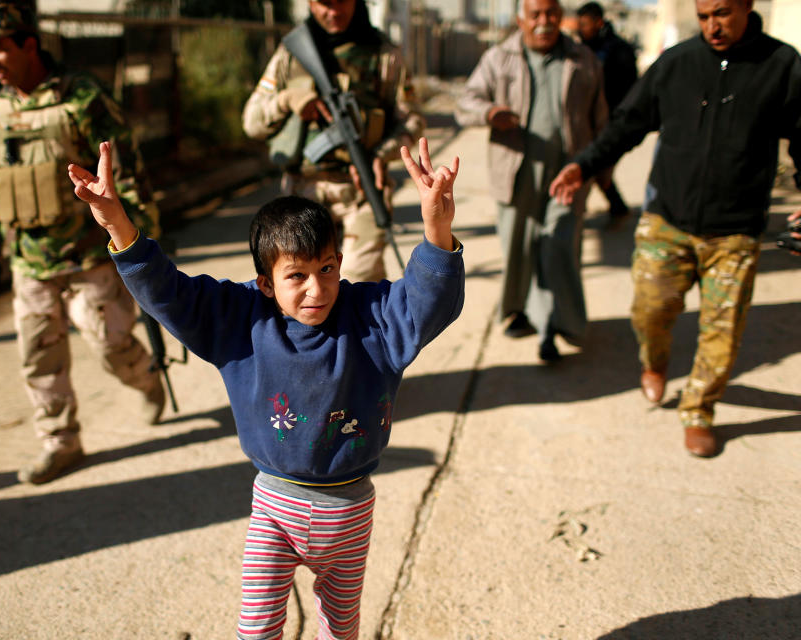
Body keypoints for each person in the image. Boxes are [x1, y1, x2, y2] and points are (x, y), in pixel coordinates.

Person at [68, 136, 463, 639]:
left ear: (340, 263)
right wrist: (116, 224)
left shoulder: (374, 319)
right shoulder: (239, 320)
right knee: (256, 630)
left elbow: (429, 302)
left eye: (326, 269)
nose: (316, 289)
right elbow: (169, 292)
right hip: (275, 509)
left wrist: (437, 228)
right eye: (295, 276)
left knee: (341, 630)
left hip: (350, 512)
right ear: (265, 283)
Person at [550, 0, 801, 456]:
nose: (712, 25)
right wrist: (584, 166)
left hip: (736, 230)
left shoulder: (782, 64)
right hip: (667, 220)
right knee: (650, 312)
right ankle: (655, 361)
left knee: (723, 332)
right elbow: (627, 123)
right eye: (703, 15)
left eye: (722, 13)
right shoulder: (678, 62)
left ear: (746, 6)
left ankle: (699, 410)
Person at [0, 1, 167, 484]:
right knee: (39, 356)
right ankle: (61, 442)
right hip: (31, 259)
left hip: (87, 253)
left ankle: (145, 376)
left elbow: (123, 163)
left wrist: (143, 233)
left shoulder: (80, 96)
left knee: (109, 345)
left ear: (28, 44)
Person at [455, 0, 607, 362]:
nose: (544, 22)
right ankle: (516, 312)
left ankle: (556, 324)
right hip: (516, 171)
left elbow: (601, 116)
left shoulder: (583, 58)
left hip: (568, 174)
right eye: (535, 15)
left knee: (557, 246)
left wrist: (601, 169)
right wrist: (490, 113)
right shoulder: (499, 57)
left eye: (551, 14)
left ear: (561, 16)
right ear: (521, 19)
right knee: (518, 250)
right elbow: (466, 103)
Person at [242, 0, 424, 282]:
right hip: (302, 191)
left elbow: (412, 120)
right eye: (324, 3)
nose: (333, 11)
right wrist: (287, 100)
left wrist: (381, 154)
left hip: (360, 190)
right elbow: (252, 122)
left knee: (357, 286)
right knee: (304, 289)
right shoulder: (291, 52)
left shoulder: (383, 53)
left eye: (342, 1)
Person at [576, 1, 637, 229]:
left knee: (600, 171)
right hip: (591, 122)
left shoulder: (618, 51)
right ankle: (617, 209)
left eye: (585, 24)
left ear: (598, 22)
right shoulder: (584, 48)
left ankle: (619, 211)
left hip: (613, 123)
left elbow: (630, 91)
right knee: (596, 169)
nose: (581, 28)